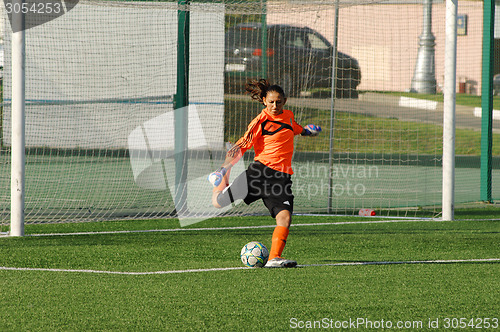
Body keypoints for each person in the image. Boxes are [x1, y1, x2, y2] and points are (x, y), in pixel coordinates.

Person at [208, 79, 321, 268]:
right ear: (263, 101)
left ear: (285, 101)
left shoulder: (289, 116)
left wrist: (308, 132)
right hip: (258, 174)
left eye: (278, 101)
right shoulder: (260, 122)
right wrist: (224, 168)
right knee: (218, 203)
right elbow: (242, 146)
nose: (274, 106)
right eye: (271, 102)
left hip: (281, 179)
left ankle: (274, 258)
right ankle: (220, 181)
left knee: (284, 217)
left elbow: (296, 128)